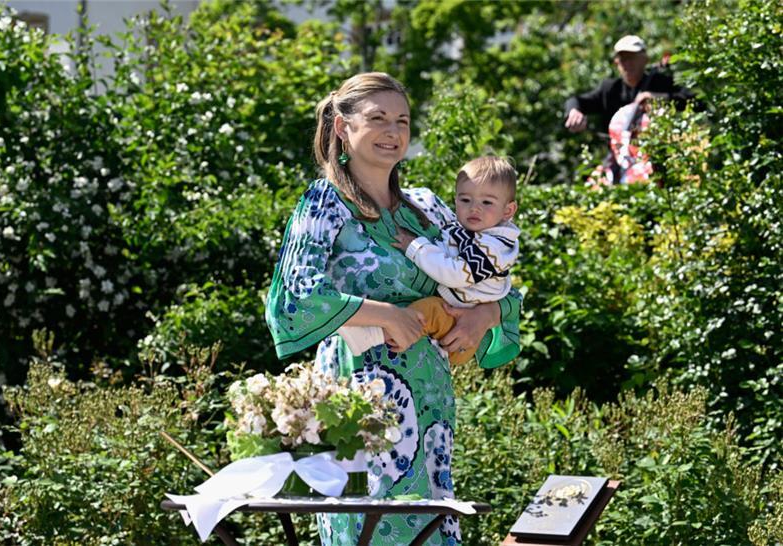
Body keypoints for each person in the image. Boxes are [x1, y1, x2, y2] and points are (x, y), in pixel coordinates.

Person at [265, 72, 523, 545]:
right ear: (342, 127)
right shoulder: (324, 202)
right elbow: (295, 296)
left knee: (429, 524)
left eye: (402, 121)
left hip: (429, 398)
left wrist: (486, 315)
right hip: (355, 397)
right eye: (378, 119)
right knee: (365, 525)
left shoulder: (426, 208)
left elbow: (494, 278)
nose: (393, 131)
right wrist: (386, 314)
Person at [337, 156, 520, 366]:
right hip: (449, 317)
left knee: (428, 312)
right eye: (465, 200)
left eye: (487, 202)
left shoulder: (493, 246)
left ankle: (374, 335)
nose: (474, 208)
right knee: (429, 310)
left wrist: (416, 247)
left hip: (457, 327)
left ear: (508, 211)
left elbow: (456, 273)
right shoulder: (470, 230)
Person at [564, 35, 694, 183]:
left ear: (644, 59)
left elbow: (695, 101)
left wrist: (658, 97)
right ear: (616, 63)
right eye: (622, 59)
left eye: (632, 58)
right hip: (619, 161)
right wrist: (574, 112)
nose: (627, 64)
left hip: (658, 161)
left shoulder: (660, 83)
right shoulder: (610, 89)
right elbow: (576, 100)